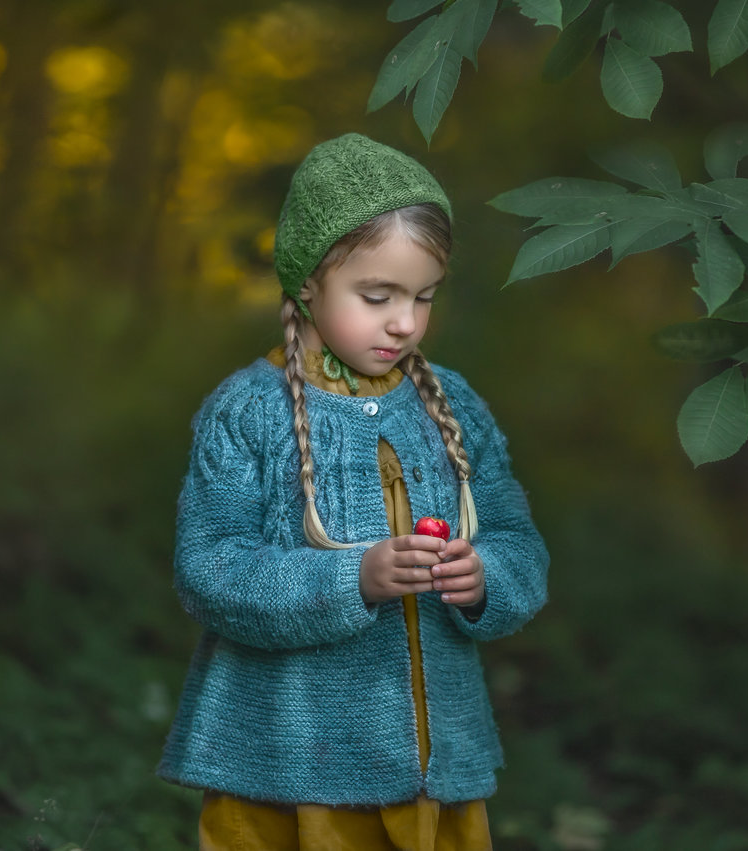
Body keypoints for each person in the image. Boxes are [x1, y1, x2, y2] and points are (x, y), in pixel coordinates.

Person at [157, 133, 549, 850]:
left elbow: (520, 544)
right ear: (307, 281)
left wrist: (485, 576)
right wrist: (353, 577)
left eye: (423, 296)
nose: (404, 320)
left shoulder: (450, 404)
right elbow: (210, 568)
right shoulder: (248, 410)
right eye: (377, 295)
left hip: (434, 776)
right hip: (291, 770)